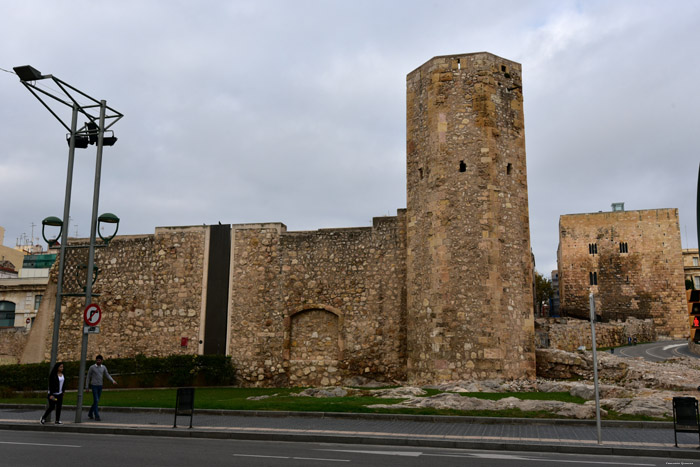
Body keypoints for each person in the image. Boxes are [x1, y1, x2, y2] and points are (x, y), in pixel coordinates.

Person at [85, 354, 117, 421]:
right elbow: (88, 377)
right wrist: (87, 387)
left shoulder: (103, 367)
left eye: (99, 360)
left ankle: (90, 413)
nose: (98, 361)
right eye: (97, 360)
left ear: (102, 361)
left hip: (100, 386)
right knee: (96, 400)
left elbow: (107, 375)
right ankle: (97, 416)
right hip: (94, 386)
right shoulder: (92, 367)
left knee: (96, 401)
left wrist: (112, 381)